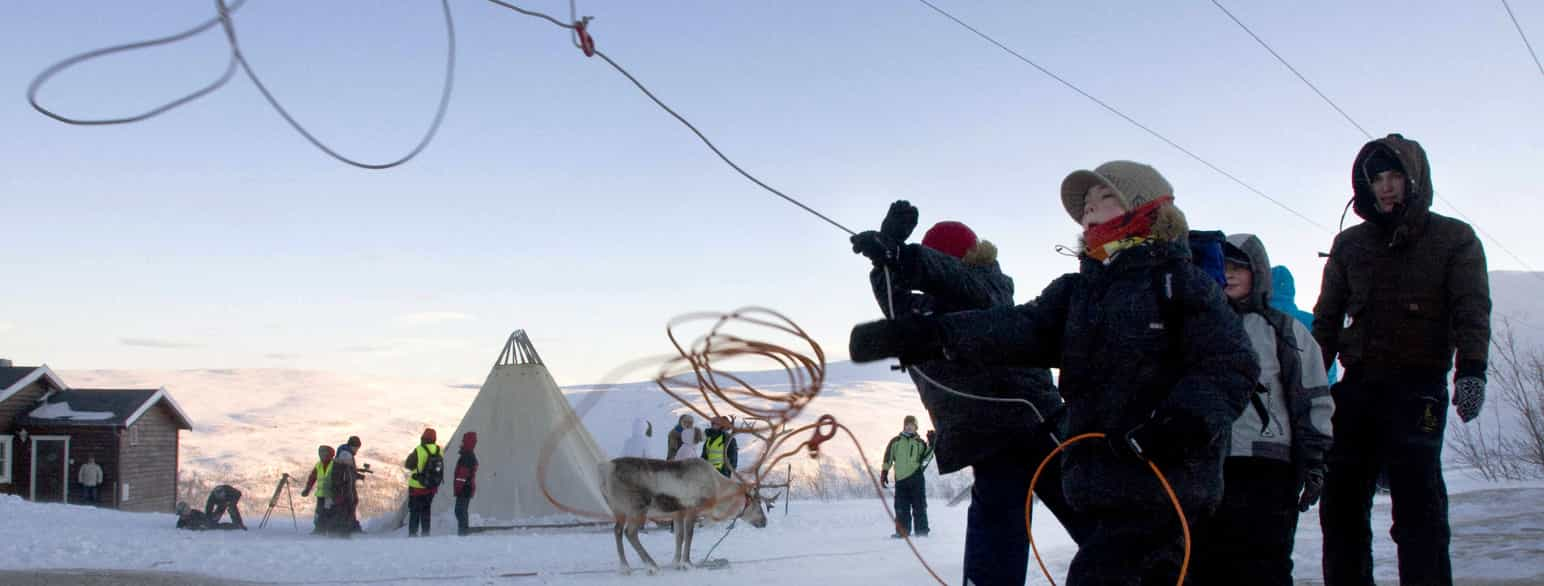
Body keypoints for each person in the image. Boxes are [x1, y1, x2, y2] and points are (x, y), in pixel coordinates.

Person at [849, 160, 1257, 585]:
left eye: (1104, 196)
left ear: (1146, 207)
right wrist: (926, 333)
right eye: (1084, 203)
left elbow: (1231, 362)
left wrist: (1183, 422)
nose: (1088, 208)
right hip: (1099, 475)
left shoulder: (1176, 281)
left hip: (1162, 478)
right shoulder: (1079, 289)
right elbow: (1021, 328)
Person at [850, 205, 1091, 583]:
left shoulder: (989, 288)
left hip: (1035, 424)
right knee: (996, 533)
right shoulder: (926, 314)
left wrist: (909, 257)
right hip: (986, 440)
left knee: (1093, 515)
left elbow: (965, 283)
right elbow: (896, 308)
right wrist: (888, 254)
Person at [1313, 134, 1491, 585]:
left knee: (1419, 511)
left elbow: (1471, 308)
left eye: (1394, 176)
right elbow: (1327, 319)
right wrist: (1309, 384)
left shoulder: (1453, 239)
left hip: (1418, 389)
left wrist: (1471, 370)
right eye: (1376, 179)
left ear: (1415, 179)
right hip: (1357, 389)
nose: (1386, 187)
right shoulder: (1350, 243)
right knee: (1340, 508)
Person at [1190, 234, 1335, 585]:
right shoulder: (1196, 329)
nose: (1231, 273)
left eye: (1240, 266)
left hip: (1267, 467)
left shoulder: (1284, 330)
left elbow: (1312, 396)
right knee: (1203, 565)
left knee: (1266, 564)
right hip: (1204, 467)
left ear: (1259, 271)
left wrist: (1314, 461)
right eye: (1224, 265)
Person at [1270, 265, 1338, 386]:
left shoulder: (1255, 321)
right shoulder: (1313, 321)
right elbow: (1328, 366)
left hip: (1269, 397)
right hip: (1315, 394)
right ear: (1291, 288)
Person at [880, 415, 933, 538]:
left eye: (912, 425)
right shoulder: (896, 441)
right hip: (901, 480)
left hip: (916, 478)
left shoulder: (920, 443)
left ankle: (922, 531)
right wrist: (884, 472)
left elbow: (926, 460)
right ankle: (902, 532)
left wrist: (931, 444)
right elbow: (888, 457)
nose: (909, 427)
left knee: (919, 506)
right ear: (904, 426)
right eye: (907, 425)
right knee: (901, 507)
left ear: (916, 427)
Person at [403, 428, 443, 537]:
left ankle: (413, 534)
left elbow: (408, 464)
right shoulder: (439, 450)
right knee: (426, 510)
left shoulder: (419, 450)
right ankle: (426, 533)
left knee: (414, 511)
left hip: (416, 486)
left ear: (423, 438)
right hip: (431, 487)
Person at [300, 445, 335, 534]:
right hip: (321, 494)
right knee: (319, 513)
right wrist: (307, 489)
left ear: (330, 454)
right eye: (320, 452)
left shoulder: (335, 464)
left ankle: (328, 530)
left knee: (328, 512)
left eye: (324, 452)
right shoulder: (318, 465)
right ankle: (319, 529)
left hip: (331, 495)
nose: (321, 454)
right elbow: (312, 478)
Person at [326, 448, 360, 537]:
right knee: (341, 514)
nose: (350, 461)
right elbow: (340, 483)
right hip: (341, 496)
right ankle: (340, 532)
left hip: (344, 495)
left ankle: (340, 532)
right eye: (349, 460)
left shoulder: (343, 467)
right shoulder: (340, 469)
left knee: (343, 513)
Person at [453, 431, 479, 536]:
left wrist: (458, 488)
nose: (462, 443)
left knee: (459, 510)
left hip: (464, 488)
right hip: (467, 487)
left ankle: (463, 531)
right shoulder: (469, 455)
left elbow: (462, 475)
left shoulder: (466, 456)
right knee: (462, 510)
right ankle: (463, 530)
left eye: (463, 441)